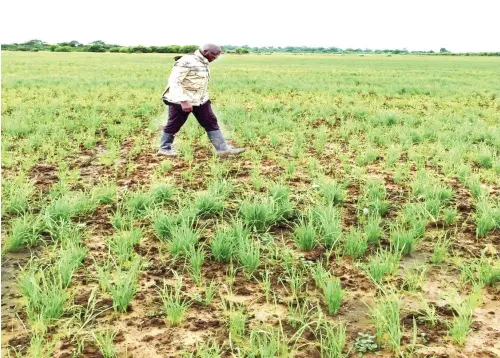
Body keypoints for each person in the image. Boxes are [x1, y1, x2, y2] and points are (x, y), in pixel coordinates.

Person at [158, 43, 245, 157]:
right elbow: (174, 82)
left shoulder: (204, 61)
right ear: (205, 51)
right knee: (174, 123)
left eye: (218, 55)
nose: (216, 57)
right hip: (180, 100)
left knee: (210, 121)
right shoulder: (186, 61)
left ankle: (223, 149)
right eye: (214, 55)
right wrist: (184, 100)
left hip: (200, 99)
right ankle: (164, 149)